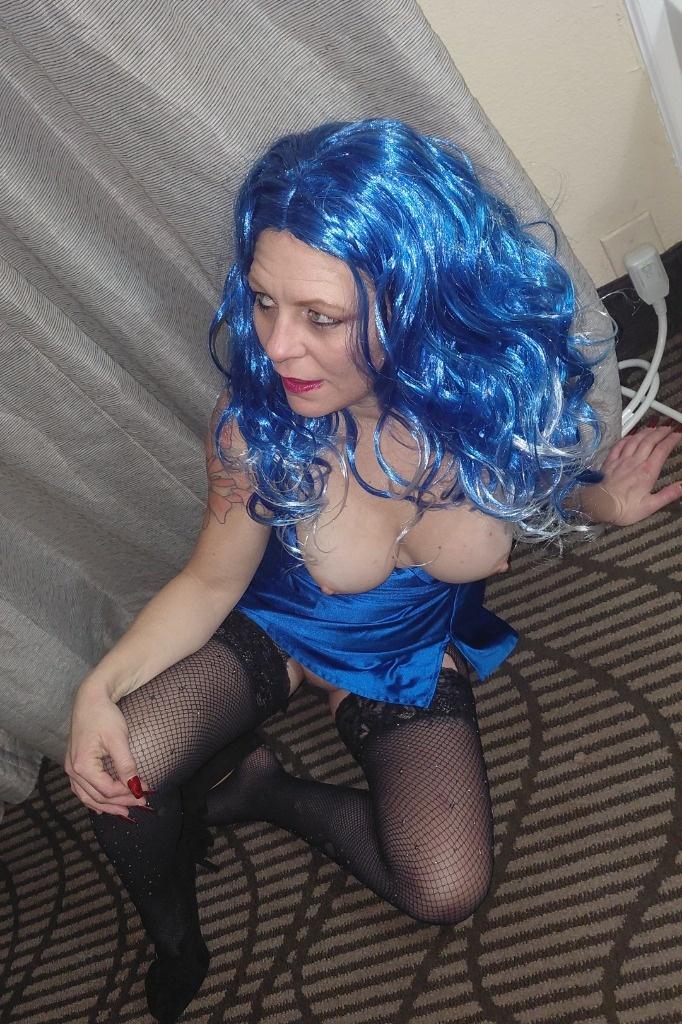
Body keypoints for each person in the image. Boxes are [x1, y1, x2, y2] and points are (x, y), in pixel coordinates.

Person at [64, 119, 681, 1023]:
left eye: (320, 316)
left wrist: (603, 503)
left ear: (421, 303)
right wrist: (100, 689)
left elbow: (538, 487)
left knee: (445, 887)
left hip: (406, 654)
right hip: (283, 623)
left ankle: (265, 789)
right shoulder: (255, 427)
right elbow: (210, 582)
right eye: (263, 302)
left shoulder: (496, 406)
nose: (276, 347)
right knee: (125, 772)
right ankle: (175, 937)